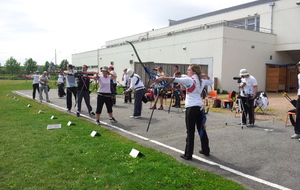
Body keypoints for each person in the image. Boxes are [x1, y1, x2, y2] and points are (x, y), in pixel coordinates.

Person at [155, 64, 213, 160]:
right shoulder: (200, 80)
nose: (187, 71)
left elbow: (175, 79)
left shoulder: (189, 80)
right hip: (199, 108)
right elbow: (210, 81)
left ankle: (188, 154)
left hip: (191, 108)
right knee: (201, 129)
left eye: (189, 70)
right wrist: (204, 76)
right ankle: (205, 150)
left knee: (190, 132)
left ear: (194, 72)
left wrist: (162, 78)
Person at [291, 62, 300, 139]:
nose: (299, 67)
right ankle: (298, 132)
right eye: (299, 66)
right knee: (298, 114)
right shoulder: (299, 75)